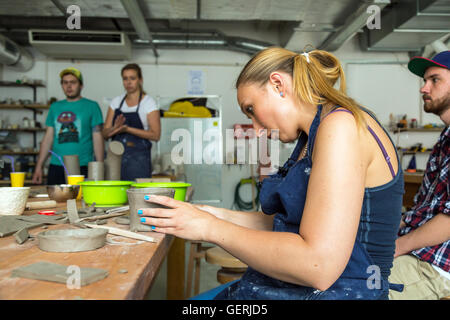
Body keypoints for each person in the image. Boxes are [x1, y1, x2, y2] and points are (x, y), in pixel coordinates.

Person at [138, 47, 405, 300]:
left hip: (348, 290)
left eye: (251, 109)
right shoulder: (310, 136)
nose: (255, 128)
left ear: (278, 85)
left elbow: (318, 266)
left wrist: (209, 228)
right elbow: (287, 225)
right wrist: (205, 213)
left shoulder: (340, 127)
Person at [388, 50, 450, 300]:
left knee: (356, 288)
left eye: (434, 80)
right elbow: (424, 210)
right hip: (422, 253)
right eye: (424, 81)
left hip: (438, 268)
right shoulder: (445, 139)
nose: (424, 88)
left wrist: (398, 246)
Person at [32, 67, 104, 185]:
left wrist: (100, 168)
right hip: (57, 165)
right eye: (65, 83)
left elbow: (97, 137)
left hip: (82, 166)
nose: (69, 86)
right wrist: (39, 166)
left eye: (73, 82)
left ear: (81, 85)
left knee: (81, 202)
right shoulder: (55, 107)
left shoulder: (92, 106)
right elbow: (48, 138)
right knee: (56, 201)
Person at [102, 63, 160, 181]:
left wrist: (127, 129)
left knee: (138, 196)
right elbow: (104, 133)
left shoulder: (148, 103)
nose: (128, 82)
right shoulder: (116, 102)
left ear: (140, 80)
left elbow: (156, 135)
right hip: (116, 162)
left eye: (132, 78)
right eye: (125, 78)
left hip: (139, 161)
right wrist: (115, 128)